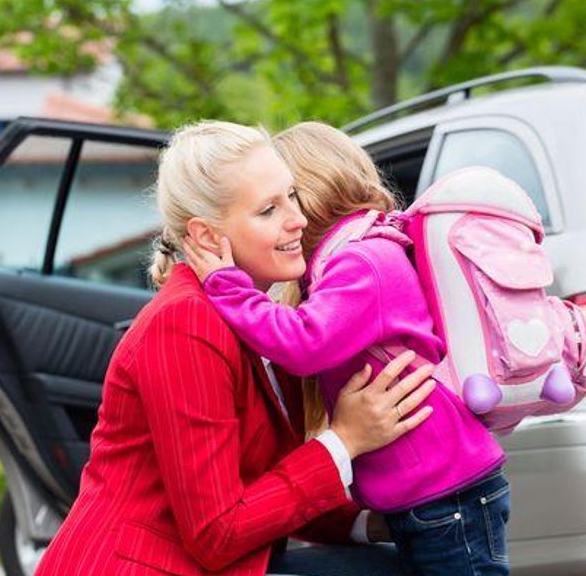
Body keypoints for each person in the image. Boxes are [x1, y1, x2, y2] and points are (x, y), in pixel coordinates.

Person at [33, 121, 437, 576]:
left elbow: (270, 489)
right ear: (206, 236)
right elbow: (217, 531)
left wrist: (376, 524)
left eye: (293, 197)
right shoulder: (184, 324)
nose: (298, 220)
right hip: (141, 567)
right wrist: (344, 440)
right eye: (268, 210)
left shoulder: (263, 319)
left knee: (402, 563)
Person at [182, 122, 510, 576]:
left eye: (288, 199)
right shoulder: (356, 256)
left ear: (310, 192)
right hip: (433, 494)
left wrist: (228, 287)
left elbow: (301, 344)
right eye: (270, 207)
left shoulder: (363, 261)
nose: (288, 217)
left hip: (446, 495)